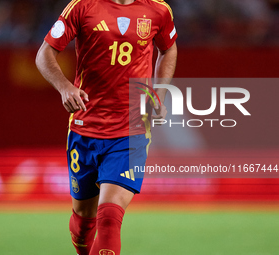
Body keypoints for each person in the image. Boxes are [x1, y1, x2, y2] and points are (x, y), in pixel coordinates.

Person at [36, 0, 177, 254]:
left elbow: (168, 49)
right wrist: (65, 87)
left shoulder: (158, 10)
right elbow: (44, 53)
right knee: (83, 222)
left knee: (110, 217)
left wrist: (159, 93)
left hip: (130, 131)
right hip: (85, 128)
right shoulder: (82, 7)